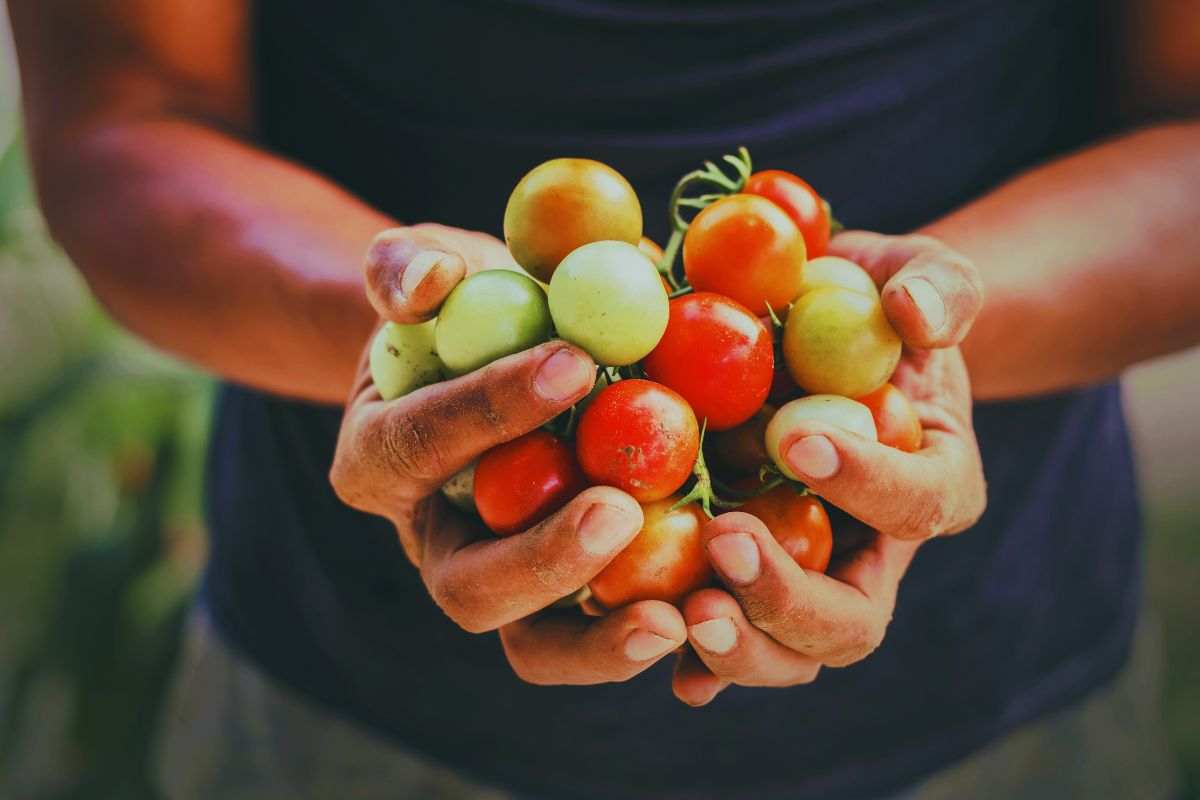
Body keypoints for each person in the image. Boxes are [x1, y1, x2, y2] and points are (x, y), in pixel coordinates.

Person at [9, 1, 1198, 797]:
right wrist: (410, 332)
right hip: (354, 707)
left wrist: (940, 331)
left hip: (1008, 699)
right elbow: (127, 118)